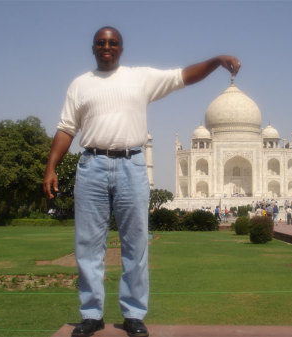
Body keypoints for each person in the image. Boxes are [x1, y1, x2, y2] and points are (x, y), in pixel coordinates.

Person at [43, 26, 241, 337]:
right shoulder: (79, 85)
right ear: (93, 47)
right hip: (92, 164)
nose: (107, 47)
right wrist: (50, 166)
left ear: (121, 48)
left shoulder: (140, 78)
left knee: (135, 244)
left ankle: (134, 314)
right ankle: (92, 314)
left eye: (113, 43)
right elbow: (66, 128)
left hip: (131, 164)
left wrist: (215, 60)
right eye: (101, 42)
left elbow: (183, 76)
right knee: (88, 245)